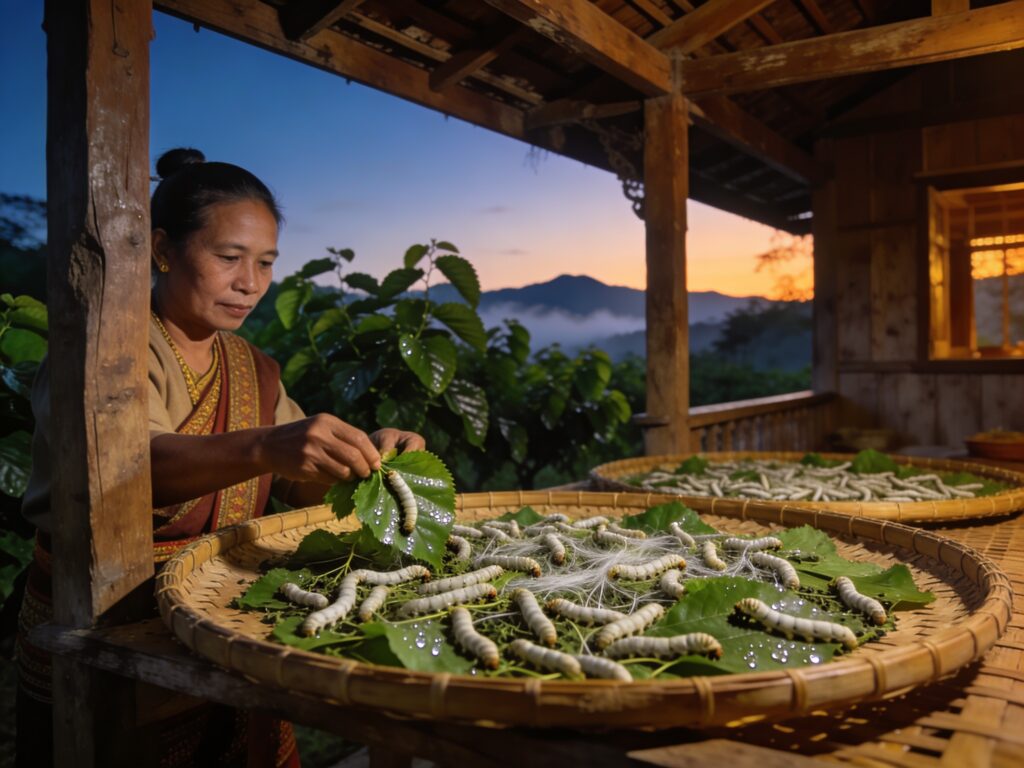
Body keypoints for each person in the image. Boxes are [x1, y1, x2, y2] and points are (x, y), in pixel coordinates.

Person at [17, 148, 424, 767]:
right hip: (107, 615)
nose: (251, 284)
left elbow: (300, 485)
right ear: (162, 249)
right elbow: (122, 470)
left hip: (221, 616)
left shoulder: (251, 367)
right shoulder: (102, 348)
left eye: (266, 263)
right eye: (229, 257)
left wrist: (370, 466)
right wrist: (266, 446)